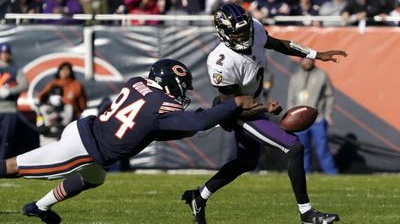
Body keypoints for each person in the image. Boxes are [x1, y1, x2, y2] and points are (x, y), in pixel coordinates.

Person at [0, 59, 271, 223]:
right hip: (84, 148)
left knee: (94, 178)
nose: (182, 92)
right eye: (181, 86)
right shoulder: (161, 104)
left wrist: (211, 118)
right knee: (13, 168)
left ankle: (39, 207)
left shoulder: (136, 83)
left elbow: (154, 128)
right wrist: (233, 104)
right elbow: (196, 123)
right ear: (169, 82)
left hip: (86, 132)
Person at [181, 3, 347, 224]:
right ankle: (307, 214)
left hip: (253, 103)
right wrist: (264, 108)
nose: (244, 34)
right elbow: (234, 103)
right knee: (293, 146)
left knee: (246, 162)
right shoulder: (220, 61)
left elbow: (280, 44)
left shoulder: (255, 29)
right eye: (237, 32)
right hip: (237, 111)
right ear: (224, 33)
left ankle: (199, 197)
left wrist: (317, 54)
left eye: (246, 28)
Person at [287, 58, 338, 175]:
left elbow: (329, 95)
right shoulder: (295, 77)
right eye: (305, 59)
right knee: (302, 149)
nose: (307, 62)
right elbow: (291, 99)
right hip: (300, 121)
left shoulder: (322, 75)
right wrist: (291, 118)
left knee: (322, 148)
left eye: (310, 59)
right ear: (300, 61)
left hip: (318, 119)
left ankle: (332, 173)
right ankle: (305, 173)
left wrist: (328, 113)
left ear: (314, 60)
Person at [0, 43, 37, 158]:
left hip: (10, 108)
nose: (5, 55)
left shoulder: (15, 68)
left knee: (6, 139)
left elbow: (24, 85)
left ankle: (2, 164)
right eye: (2, 53)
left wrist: (10, 91)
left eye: (7, 53)